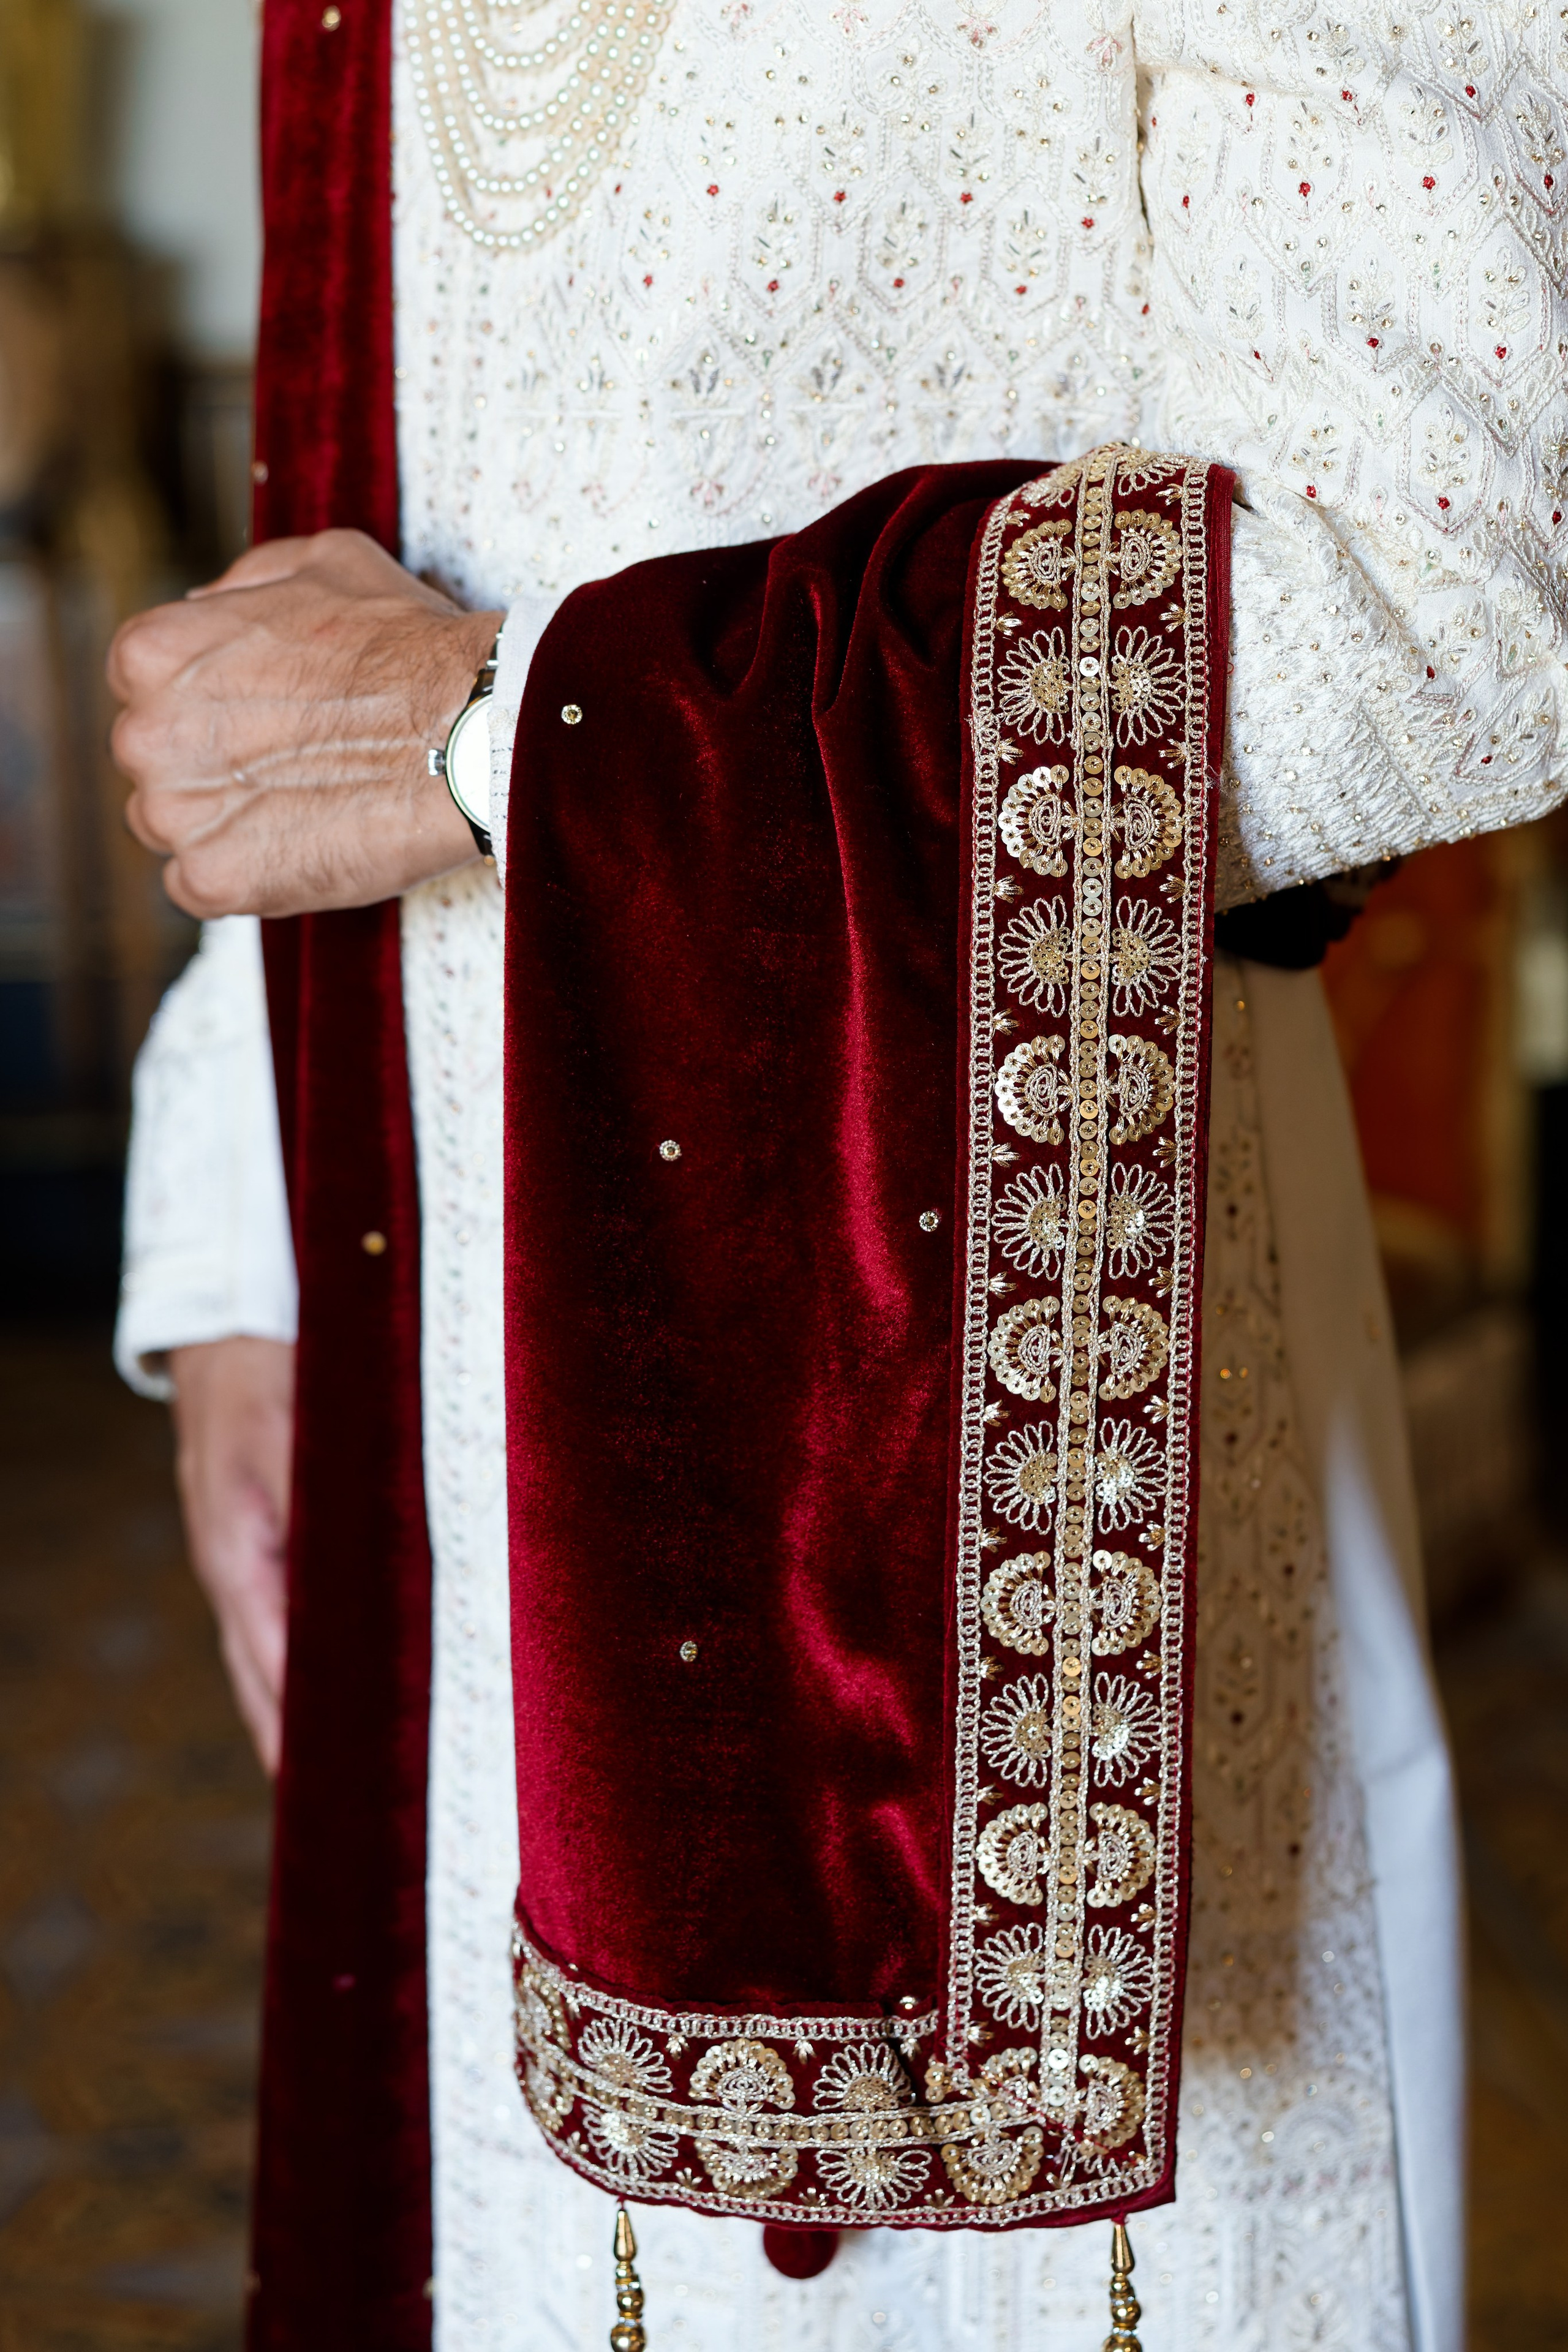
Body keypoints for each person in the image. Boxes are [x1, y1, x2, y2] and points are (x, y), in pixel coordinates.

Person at [110, 3, 1566, 2346]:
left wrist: (499, 738)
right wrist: (248, 1228)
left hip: (1035, 1461)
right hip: (450, 1361)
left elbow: (1468, 585)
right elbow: (400, 522)